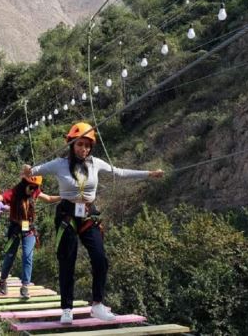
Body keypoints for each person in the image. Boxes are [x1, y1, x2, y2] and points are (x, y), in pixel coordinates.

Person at [23, 122, 164, 324]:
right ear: (71, 144)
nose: (84, 149)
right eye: (80, 144)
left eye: (87, 146)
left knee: (100, 258)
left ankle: (97, 305)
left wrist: (149, 174)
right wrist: (27, 169)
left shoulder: (95, 163)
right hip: (67, 215)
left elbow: (119, 172)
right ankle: (67, 308)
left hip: (89, 213)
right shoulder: (59, 163)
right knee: (67, 262)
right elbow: (33, 171)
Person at [0, 176, 60, 298]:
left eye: (35, 188)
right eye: (31, 187)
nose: (33, 190)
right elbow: (1, 198)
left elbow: (48, 198)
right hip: (15, 228)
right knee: (10, 256)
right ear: (25, 184)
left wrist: (64, 197)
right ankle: (2, 280)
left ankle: (25, 286)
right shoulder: (14, 192)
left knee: (28, 255)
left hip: (29, 228)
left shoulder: (35, 191)